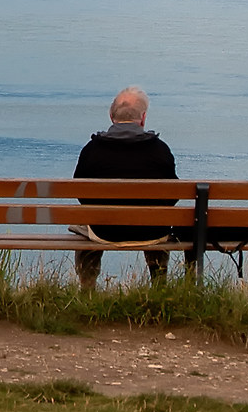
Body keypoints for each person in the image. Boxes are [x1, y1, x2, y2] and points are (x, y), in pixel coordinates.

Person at [71, 86, 177, 290]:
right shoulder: (160, 150)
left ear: (111, 116)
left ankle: (87, 286)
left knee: (85, 217)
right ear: (143, 118)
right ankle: (159, 285)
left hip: (104, 231)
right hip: (151, 233)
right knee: (160, 216)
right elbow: (171, 196)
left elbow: (80, 192)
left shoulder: (92, 149)